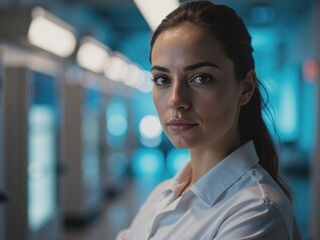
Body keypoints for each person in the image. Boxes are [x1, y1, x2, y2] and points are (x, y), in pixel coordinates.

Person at [116, 1, 301, 239]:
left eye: (201, 78)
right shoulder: (162, 194)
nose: (175, 100)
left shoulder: (256, 213)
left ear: (245, 88)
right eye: (162, 79)